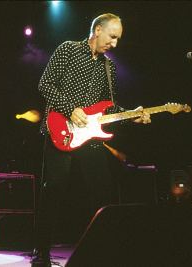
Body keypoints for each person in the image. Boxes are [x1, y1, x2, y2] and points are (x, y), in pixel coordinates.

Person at [32, 13, 151, 266]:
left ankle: (105, 251)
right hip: (59, 131)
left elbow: (110, 108)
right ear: (97, 30)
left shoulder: (109, 67)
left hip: (90, 137)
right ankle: (40, 253)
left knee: (104, 192)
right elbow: (45, 84)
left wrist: (133, 116)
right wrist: (70, 108)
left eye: (118, 39)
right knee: (52, 191)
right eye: (112, 36)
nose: (115, 44)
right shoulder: (68, 49)